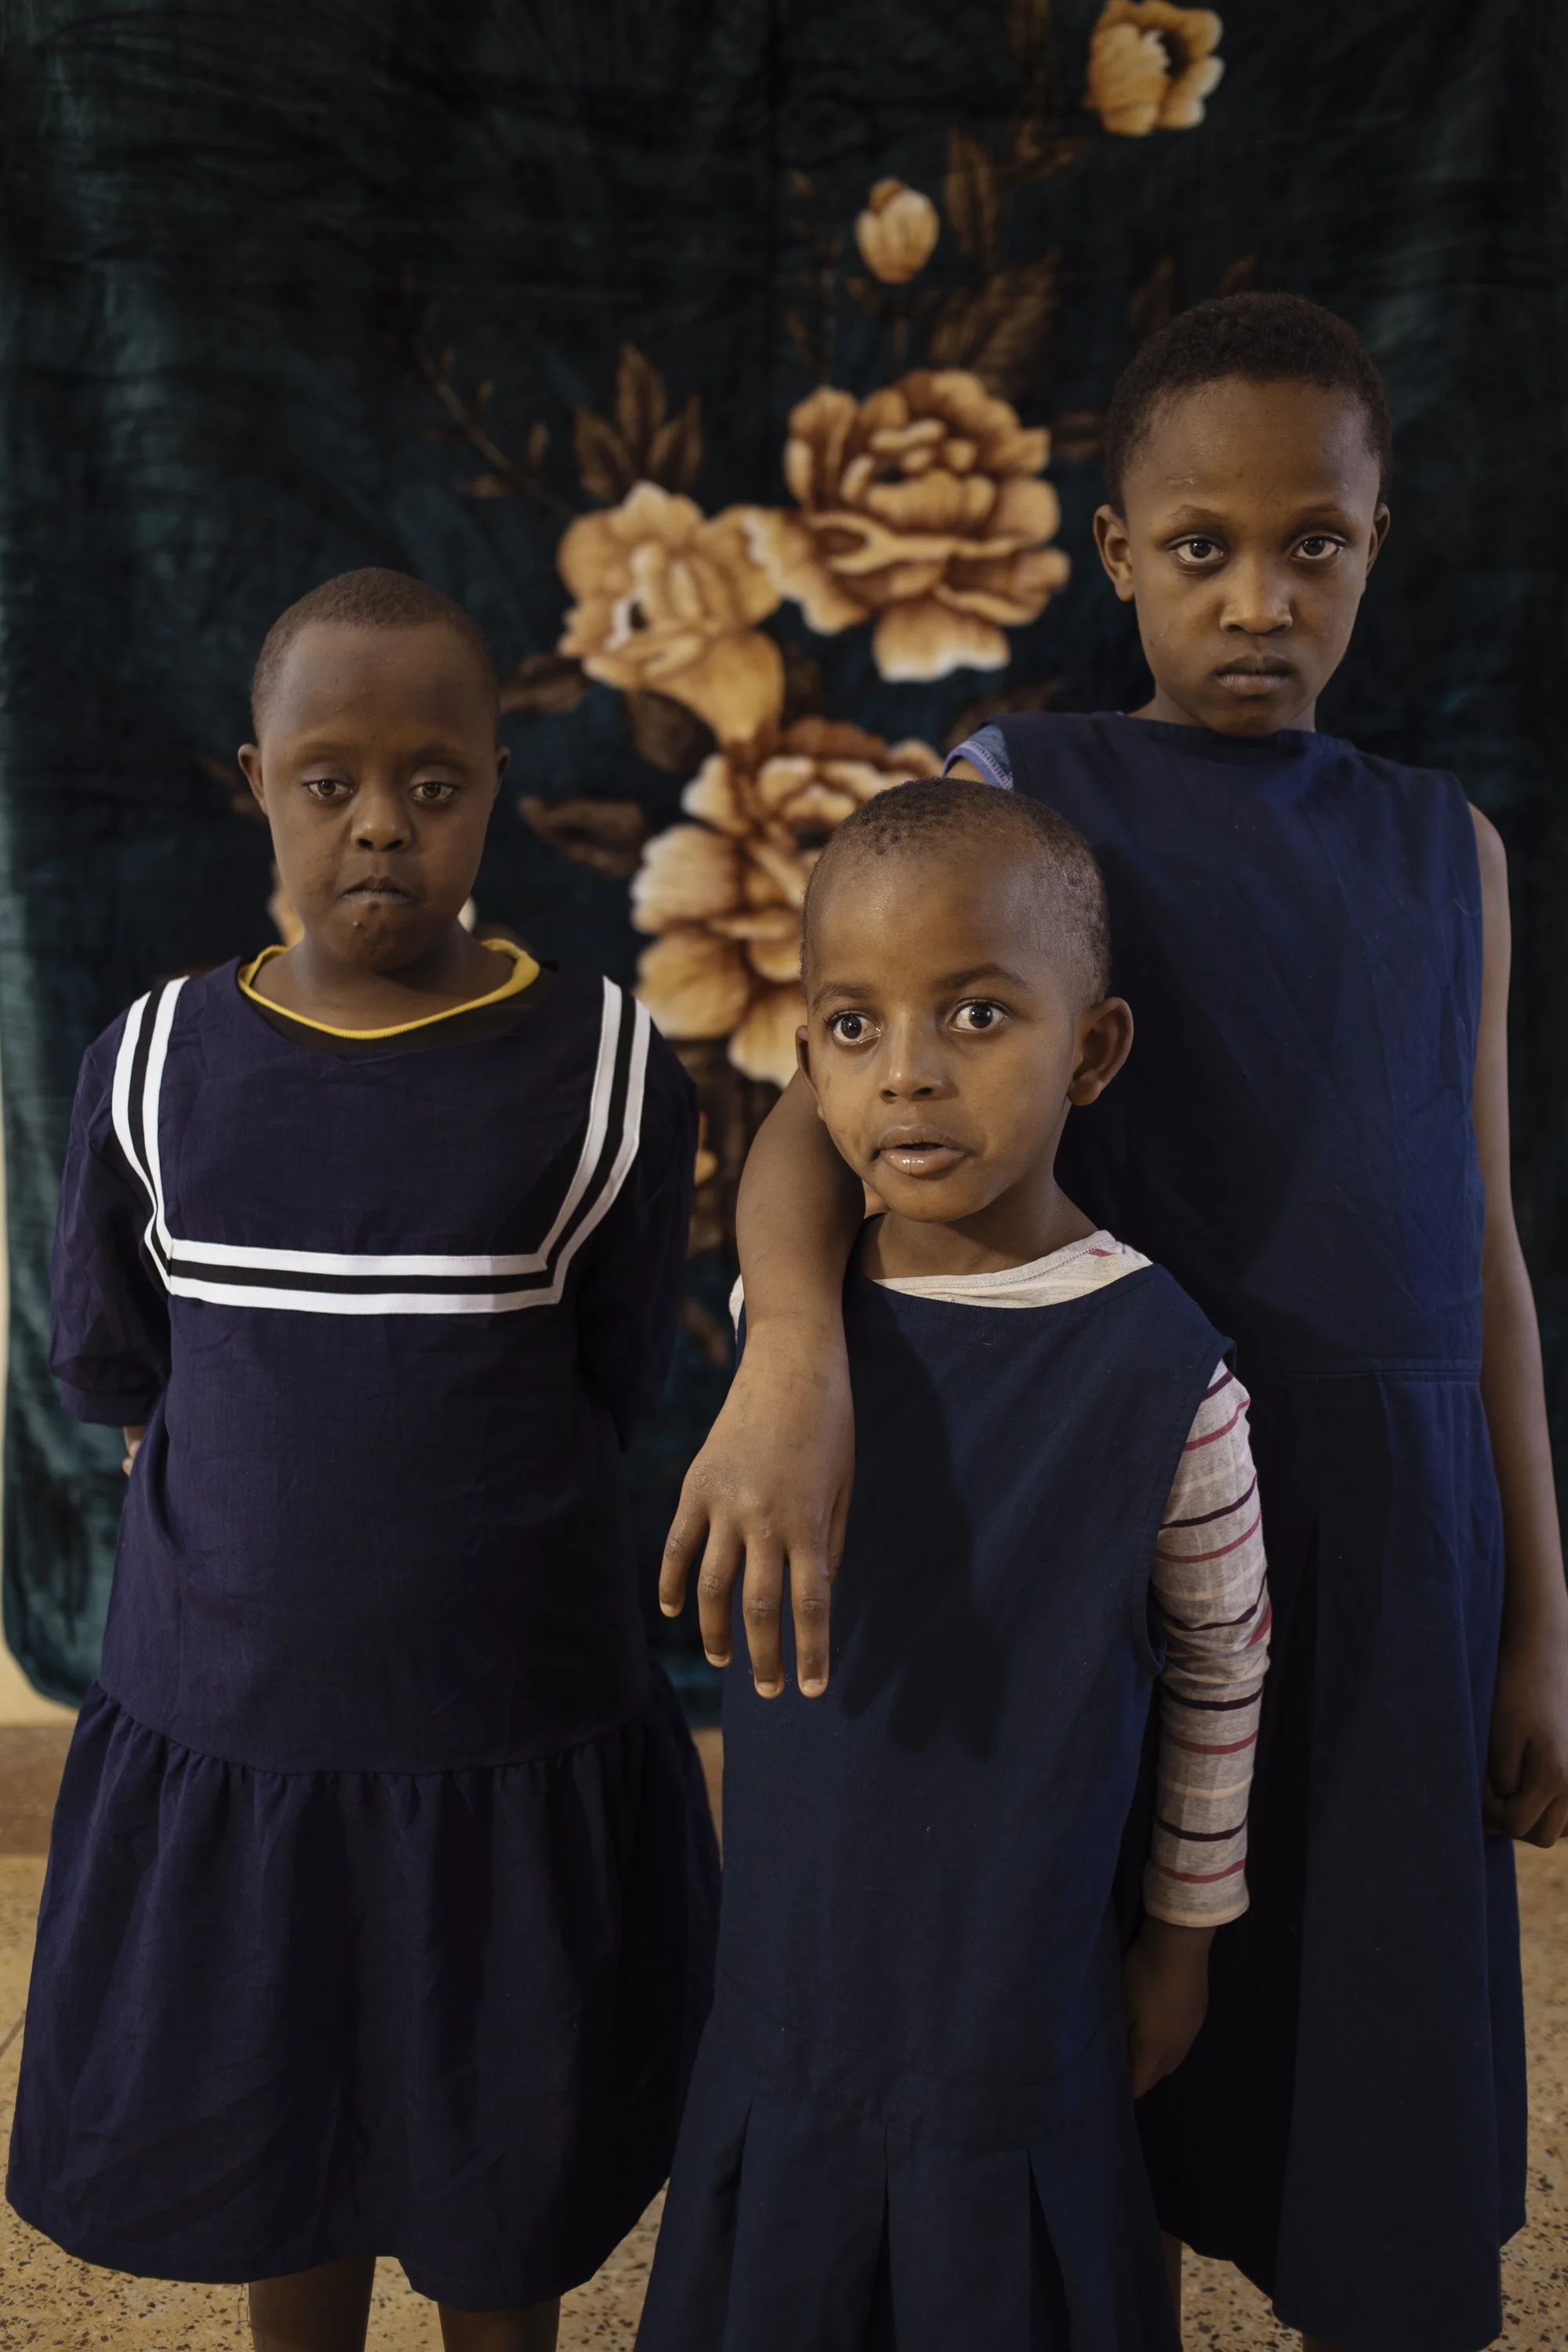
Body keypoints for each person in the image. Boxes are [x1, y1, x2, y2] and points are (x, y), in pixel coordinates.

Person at [662, 294, 1568, 2352]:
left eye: (1312, 545)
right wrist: (789, 1351)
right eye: (1199, 548)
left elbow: (1489, 1236)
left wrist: (1541, 1604)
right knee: (1092, 2048)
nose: (1257, 598)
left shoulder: (1457, 853)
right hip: (1101, 1511)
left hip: (1402, 1539)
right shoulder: (1026, 788)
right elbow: (829, 1106)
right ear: (1116, 551)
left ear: (1377, 541)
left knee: (1383, 2091)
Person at [8, 568, 720, 2352]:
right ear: (255, 782)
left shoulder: (610, 1070)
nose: (381, 824)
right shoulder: (156, 1065)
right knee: (280, 2124)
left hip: (507, 1734)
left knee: (509, 2151)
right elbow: (126, 1366)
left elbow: (620, 1368)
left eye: (433, 779)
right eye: (328, 780)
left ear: (497, 778)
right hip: (248, 1731)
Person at [641, 778, 1269, 2352]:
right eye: (852, 1028)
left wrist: (1183, 1946)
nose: (908, 1075)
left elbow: (1221, 1670)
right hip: (791, 1992)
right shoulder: (788, 1350)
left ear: (1092, 1050)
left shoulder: (1170, 1375)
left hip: (1014, 2015)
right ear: (805, 1062)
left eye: (976, 1014)